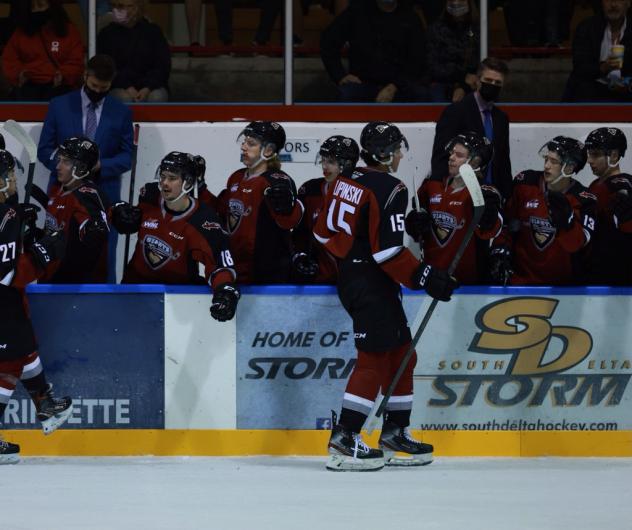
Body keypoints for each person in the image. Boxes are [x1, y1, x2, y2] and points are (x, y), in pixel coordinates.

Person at [313, 121, 458, 471]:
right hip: (372, 281)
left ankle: (394, 432)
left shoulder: (343, 181)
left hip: (357, 277)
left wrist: (353, 253)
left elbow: (322, 233)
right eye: (396, 149)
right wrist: (426, 276)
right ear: (384, 153)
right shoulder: (390, 187)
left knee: (403, 355)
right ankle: (345, 437)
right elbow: (387, 253)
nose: (400, 155)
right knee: (373, 359)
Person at [0, 149, 72, 465]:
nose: (15, 181)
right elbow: (7, 273)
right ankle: (45, 402)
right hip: (2, 299)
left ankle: (46, 404)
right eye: (10, 177)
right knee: (13, 360)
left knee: (22, 351)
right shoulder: (6, 214)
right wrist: (43, 252)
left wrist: (20, 226)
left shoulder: (8, 211)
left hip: (7, 300)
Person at [37, 54, 133, 282]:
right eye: (93, 86)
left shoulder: (121, 112)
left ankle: (106, 305)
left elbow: (127, 156)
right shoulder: (59, 106)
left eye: (104, 87)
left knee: (103, 256)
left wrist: (100, 166)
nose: (98, 91)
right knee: (57, 251)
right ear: (85, 76)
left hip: (103, 195)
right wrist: (67, 168)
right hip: (63, 193)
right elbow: (45, 149)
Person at [112, 152, 239, 322]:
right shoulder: (149, 197)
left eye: (172, 178)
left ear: (187, 183)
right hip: (135, 289)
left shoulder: (204, 220)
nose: (164, 183)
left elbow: (219, 264)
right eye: (162, 176)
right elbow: (116, 215)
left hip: (179, 298)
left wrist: (224, 290)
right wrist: (117, 213)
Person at [491, 136, 598, 286]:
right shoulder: (525, 183)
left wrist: (567, 224)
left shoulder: (584, 199)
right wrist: (500, 248)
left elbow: (578, 244)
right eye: (546, 159)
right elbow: (507, 222)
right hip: (519, 282)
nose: (546, 166)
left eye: (554, 162)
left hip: (564, 290)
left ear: (569, 167)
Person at [406, 132, 501, 284]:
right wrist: (414, 224)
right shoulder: (432, 184)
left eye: (459, 155)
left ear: (475, 162)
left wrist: (488, 216)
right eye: (452, 153)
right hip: (431, 280)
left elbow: (491, 230)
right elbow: (418, 225)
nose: (451, 157)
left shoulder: (485, 194)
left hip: (468, 285)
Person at [216, 121, 303, 284]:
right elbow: (221, 214)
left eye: (251, 143)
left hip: (266, 274)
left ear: (269, 150)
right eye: (244, 142)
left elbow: (289, 222)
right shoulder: (236, 177)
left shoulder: (277, 182)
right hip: (236, 269)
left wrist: (291, 208)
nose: (243, 147)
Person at [431, 57, 512, 200]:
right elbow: (441, 157)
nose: (492, 85)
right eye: (488, 80)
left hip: (492, 196)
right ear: (477, 80)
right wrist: (441, 196)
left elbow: (503, 161)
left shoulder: (501, 119)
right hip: (460, 195)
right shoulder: (455, 112)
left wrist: (507, 196)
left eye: (497, 82)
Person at [320, 0, 429, 102]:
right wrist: (340, 75)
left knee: (422, 95)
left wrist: (394, 86)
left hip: (400, 85)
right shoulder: (356, 12)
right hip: (362, 84)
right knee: (345, 94)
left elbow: (417, 60)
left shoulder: (410, 17)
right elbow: (328, 41)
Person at [291, 135, 360, 284]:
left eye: (331, 162)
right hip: (319, 277)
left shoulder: (363, 194)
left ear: (347, 164)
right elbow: (300, 233)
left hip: (354, 279)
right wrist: (300, 255)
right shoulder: (310, 190)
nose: (324, 166)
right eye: (323, 160)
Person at [43, 137, 110, 283]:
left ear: (81, 168)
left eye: (65, 161)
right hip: (55, 277)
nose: (58, 166)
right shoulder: (59, 190)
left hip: (76, 284)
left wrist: (93, 230)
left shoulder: (86, 195)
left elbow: (94, 229)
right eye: (59, 159)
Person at [1, 0, 84, 101]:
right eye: (32, 7)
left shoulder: (68, 31)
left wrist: (64, 74)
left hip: (59, 87)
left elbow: (77, 60)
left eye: (40, 5)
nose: (36, 10)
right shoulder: (21, 32)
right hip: (28, 87)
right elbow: (9, 59)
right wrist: (19, 74)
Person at [584, 127, 632, 284]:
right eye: (589, 154)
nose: (590, 160)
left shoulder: (623, 187)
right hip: (596, 271)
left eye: (596, 154)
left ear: (614, 155)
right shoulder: (595, 184)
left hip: (617, 276)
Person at [97, 0, 170, 103]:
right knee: (124, 98)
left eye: (122, 6)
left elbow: (162, 66)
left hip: (151, 86)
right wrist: (127, 86)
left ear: (137, 8)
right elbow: (106, 67)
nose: (117, 10)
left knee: (157, 97)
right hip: (118, 86)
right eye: (114, 6)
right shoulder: (106, 34)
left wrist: (147, 88)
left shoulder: (153, 32)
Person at [564, 0, 632, 102]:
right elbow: (580, 66)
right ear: (602, 3)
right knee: (583, 88)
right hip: (591, 92)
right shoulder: (586, 28)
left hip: (625, 93)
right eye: (608, 0)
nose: (613, 4)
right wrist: (603, 67)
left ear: (628, 3)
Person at [426, 0, 480, 103]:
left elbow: (479, 65)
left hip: (470, 85)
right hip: (443, 83)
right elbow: (433, 66)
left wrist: (463, 87)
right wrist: (462, 77)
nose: (456, 3)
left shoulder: (477, 29)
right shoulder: (436, 29)